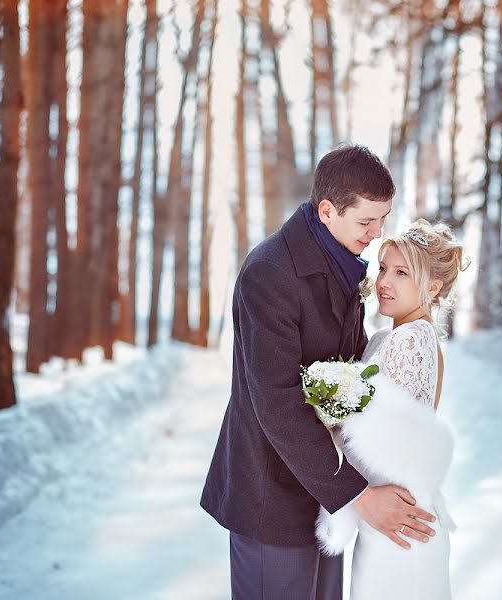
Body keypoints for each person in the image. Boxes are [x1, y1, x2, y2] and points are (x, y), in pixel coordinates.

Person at [200, 145, 437, 600]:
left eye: (383, 219)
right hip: (273, 497)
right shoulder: (269, 275)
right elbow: (279, 403)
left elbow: (348, 378)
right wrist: (358, 496)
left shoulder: (342, 259)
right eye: (366, 221)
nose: (376, 233)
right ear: (327, 210)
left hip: (325, 496)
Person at [316, 219, 469, 599]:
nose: (385, 281)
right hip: (395, 514)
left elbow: (377, 441)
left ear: (432, 287)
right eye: (383, 268)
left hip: (398, 520)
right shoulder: (393, 336)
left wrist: (324, 416)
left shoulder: (409, 339)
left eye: (402, 273)